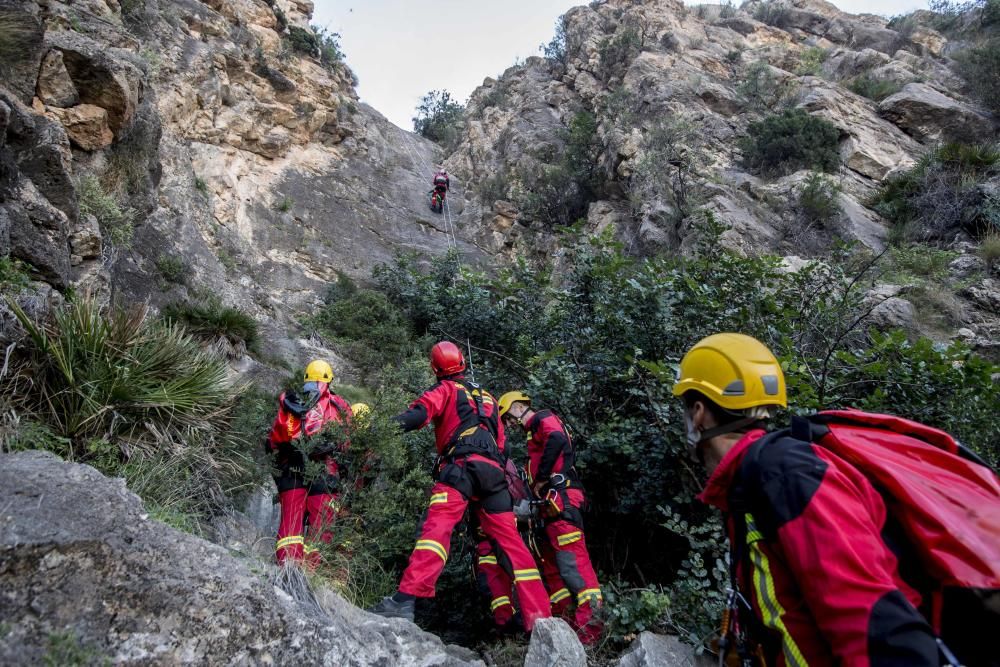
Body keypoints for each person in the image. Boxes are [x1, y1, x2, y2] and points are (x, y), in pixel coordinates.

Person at [673, 333, 940, 665]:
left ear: (698, 413)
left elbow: (871, 618)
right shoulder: (748, 483)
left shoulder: (784, 475)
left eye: (686, 409)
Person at [369, 341, 551, 631]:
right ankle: (539, 617)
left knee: (436, 530)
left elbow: (418, 416)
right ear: (463, 363)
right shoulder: (489, 399)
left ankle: (405, 600)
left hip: (461, 469)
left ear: (434, 369)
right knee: (513, 545)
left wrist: (378, 428)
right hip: (495, 477)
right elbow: (501, 446)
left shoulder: (444, 390)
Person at [498, 391, 603, 644]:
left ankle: (590, 632)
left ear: (518, 405)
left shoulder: (544, 420)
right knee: (554, 571)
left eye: (507, 417)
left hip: (562, 501)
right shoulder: (533, 435)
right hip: (549, 510)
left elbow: (557, 439)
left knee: (573, 567)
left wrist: (543, 477)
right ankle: (565, 630)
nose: (509, 424)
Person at [266, 360, 353, 566]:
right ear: (329, 380)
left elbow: (272, 442)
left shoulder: (290, 401)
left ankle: (287, 569)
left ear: (306, 379)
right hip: (324, 471)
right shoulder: (338, 405)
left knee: (290, 521)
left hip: (290, 468)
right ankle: (312, 572)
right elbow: (348, 443)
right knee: (321, 524)